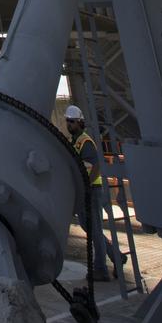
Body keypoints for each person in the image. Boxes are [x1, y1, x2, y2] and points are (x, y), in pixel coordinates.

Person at [65, 104, 126, 281]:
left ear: (79, 122)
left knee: (95, 231)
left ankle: (101, 269)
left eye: (72, 122)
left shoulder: (85, 142)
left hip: (92, 190)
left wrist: (86, 185)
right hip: (86, 190)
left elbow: (96, 165)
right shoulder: (76, 142)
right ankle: (117, 257)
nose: (69, 124)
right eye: (68, 121)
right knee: (91, 229)